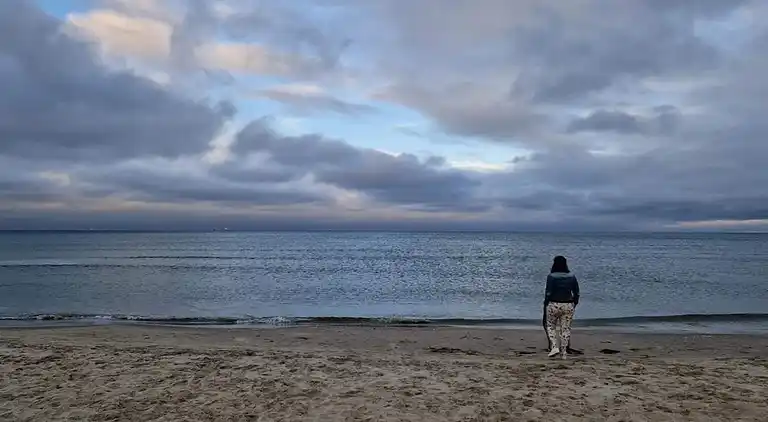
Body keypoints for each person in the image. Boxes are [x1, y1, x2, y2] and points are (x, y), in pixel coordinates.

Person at [543, 255, 580, 359]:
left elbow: (548, 292)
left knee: (550, 326)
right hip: (568, 304)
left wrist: (545, 303)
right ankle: (563, 353)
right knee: (565, 329)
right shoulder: (572, 276)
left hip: (554, 304)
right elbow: (576, 292)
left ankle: (554, 346)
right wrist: (575, 302)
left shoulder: (551, 276)